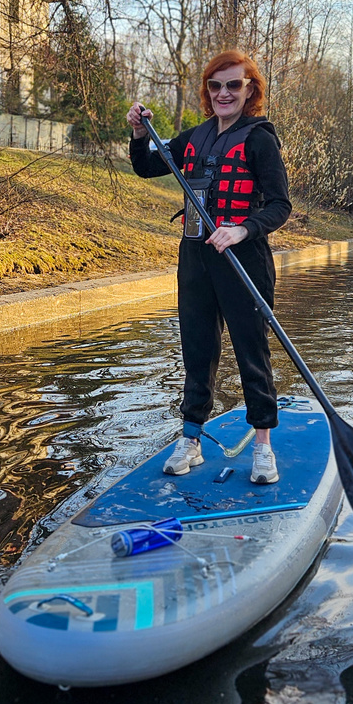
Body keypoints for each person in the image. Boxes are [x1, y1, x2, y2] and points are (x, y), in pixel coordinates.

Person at [127, 50, 291, 484]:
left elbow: (279, 206)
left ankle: (262, 445)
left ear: (250, 89)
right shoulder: (195, 137)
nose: (223, 93)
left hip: (243, 261)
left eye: (233, 85)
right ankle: (191, 439)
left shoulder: (259, 139)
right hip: (196, 259)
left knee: (251, 351)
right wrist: (140, 134)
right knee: (197, 350)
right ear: (208, 91)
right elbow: (145, 166)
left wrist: (243, 230)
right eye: (216, 86)